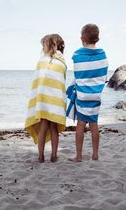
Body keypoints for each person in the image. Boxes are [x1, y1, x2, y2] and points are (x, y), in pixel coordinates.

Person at [67, 24, 108, 162]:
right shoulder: (102, 55)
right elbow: (102, 74)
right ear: (98, 38)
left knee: (80, 124)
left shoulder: (78, 55)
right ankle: (95, 154)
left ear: (82, 38)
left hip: (82, 96)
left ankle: (78, 156)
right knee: (94, 124)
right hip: (95, 96)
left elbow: (79, 73)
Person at [25, 34, 67, 163]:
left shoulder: (42, 61)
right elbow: (61, 82)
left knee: (43, 126)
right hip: (56, 101)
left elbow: (38, 83)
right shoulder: (62, 62)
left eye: (44, 44)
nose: (42, 47)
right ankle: (54, 156)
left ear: (50, 45)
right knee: (53, 128)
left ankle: (41, 156)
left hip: (43, 99)